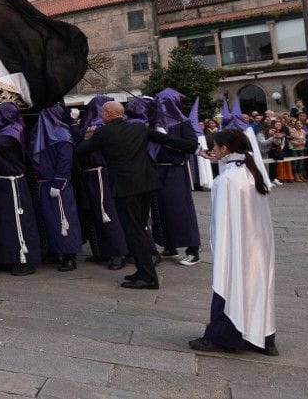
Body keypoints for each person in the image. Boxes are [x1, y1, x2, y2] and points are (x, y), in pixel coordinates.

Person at [74, 101, 198, 290]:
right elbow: (167, 140)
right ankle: (142, 270)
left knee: (134, 232)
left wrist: (86, 137)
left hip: (125, 189)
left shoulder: (103, 133)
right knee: (138, 228)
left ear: (107, 114)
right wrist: (193, 147)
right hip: (146, 185)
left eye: (103, 112)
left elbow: (80, 152)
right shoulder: (139, 128)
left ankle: (148, 277)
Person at [189, 129, 277, 355]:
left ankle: (223, 336)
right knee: (257, 286)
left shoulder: (227, 179)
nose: (213, 150)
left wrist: (221, 247)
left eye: (216, 147)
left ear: (225, 150)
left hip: (236, 245)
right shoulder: (252, 172)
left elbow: (222, 221)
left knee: (229, 284)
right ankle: (265, 338)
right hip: (258, 245)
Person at [75, 95, 128, 271]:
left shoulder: (97, 125)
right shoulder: (92, 123)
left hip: (98, 172)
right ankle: (102, 250)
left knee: (106, 212)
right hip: (91, 173)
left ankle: (117, 253)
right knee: (96, 213)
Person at [0, 102, 41, 276]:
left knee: (19, 222)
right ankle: (11, 256)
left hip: (12, 184)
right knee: (7, 222)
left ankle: (24, 259)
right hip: (4, 182)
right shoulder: (11, 130)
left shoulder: (11, 133)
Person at [151, 89, 202, 266]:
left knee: (181, 209)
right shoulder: (154, 122)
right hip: (157, 170)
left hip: (175, 169)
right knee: (162, 209)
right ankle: (169, 244)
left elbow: (191, 145)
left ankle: (193, 249)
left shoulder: (183, 122)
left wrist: (168, 140)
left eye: (165, 101)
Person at [30, 104, 81, 272]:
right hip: (43, 183)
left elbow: (65, 162)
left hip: (56, 185)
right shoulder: (40, 134)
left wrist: (58, 183)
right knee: (49, 221)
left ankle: (69, 255)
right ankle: (54, 251)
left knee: (63, 219)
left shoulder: (62, 134)